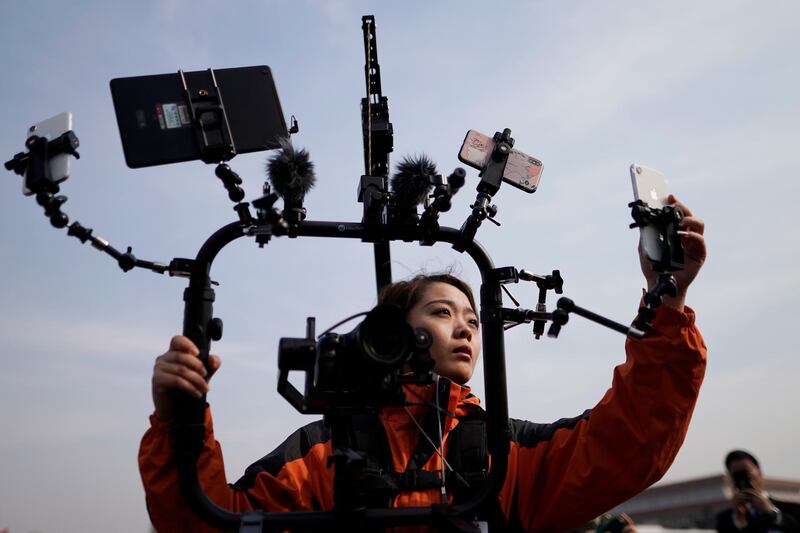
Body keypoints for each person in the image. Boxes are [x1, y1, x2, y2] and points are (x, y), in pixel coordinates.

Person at [140, 195, 708, 531]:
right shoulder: (325, 449)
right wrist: (177, 422)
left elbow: (628, 443)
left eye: (473, 318)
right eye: (442, 311)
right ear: (393, 331)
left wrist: (667, 298)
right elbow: (207, 521)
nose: (464, 326)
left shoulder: (504, 454)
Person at [715, 450, 800, 533]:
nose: (743, 478)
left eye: (746, 472)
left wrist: (770, 512)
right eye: (736, 474)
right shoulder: (725, 519)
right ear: (729, 479)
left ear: (760, 473)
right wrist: (739, 521)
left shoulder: (792, 509)